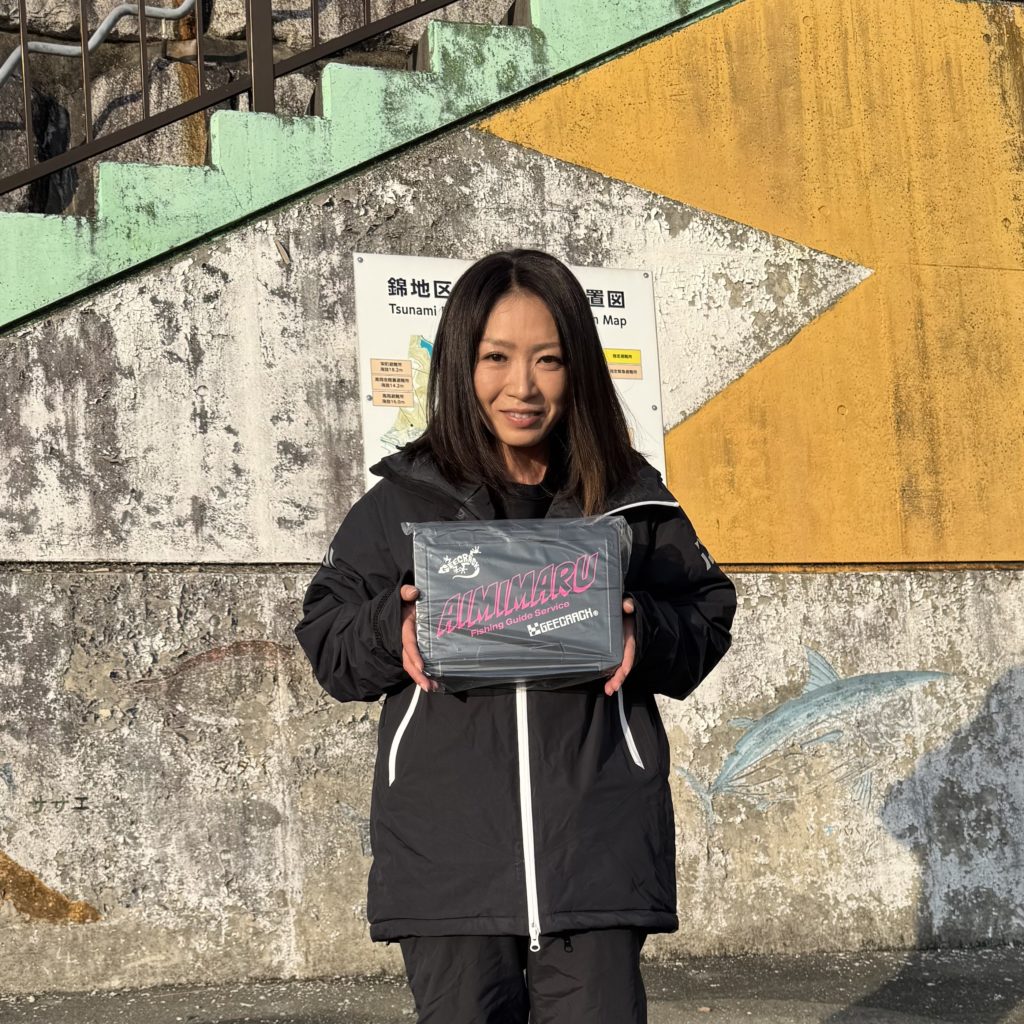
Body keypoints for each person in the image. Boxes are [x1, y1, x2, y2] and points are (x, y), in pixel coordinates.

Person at [294, 248, 736, 1024]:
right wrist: (392, 626)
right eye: (496, 357)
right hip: (448, 860)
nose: (522, 386)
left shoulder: (631, 499)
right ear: (461, 363)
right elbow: (327, 639)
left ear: (580, 367)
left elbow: (705, 614)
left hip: (596, 848)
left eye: (549, 359)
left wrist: (645, 629)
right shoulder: (401, 503)